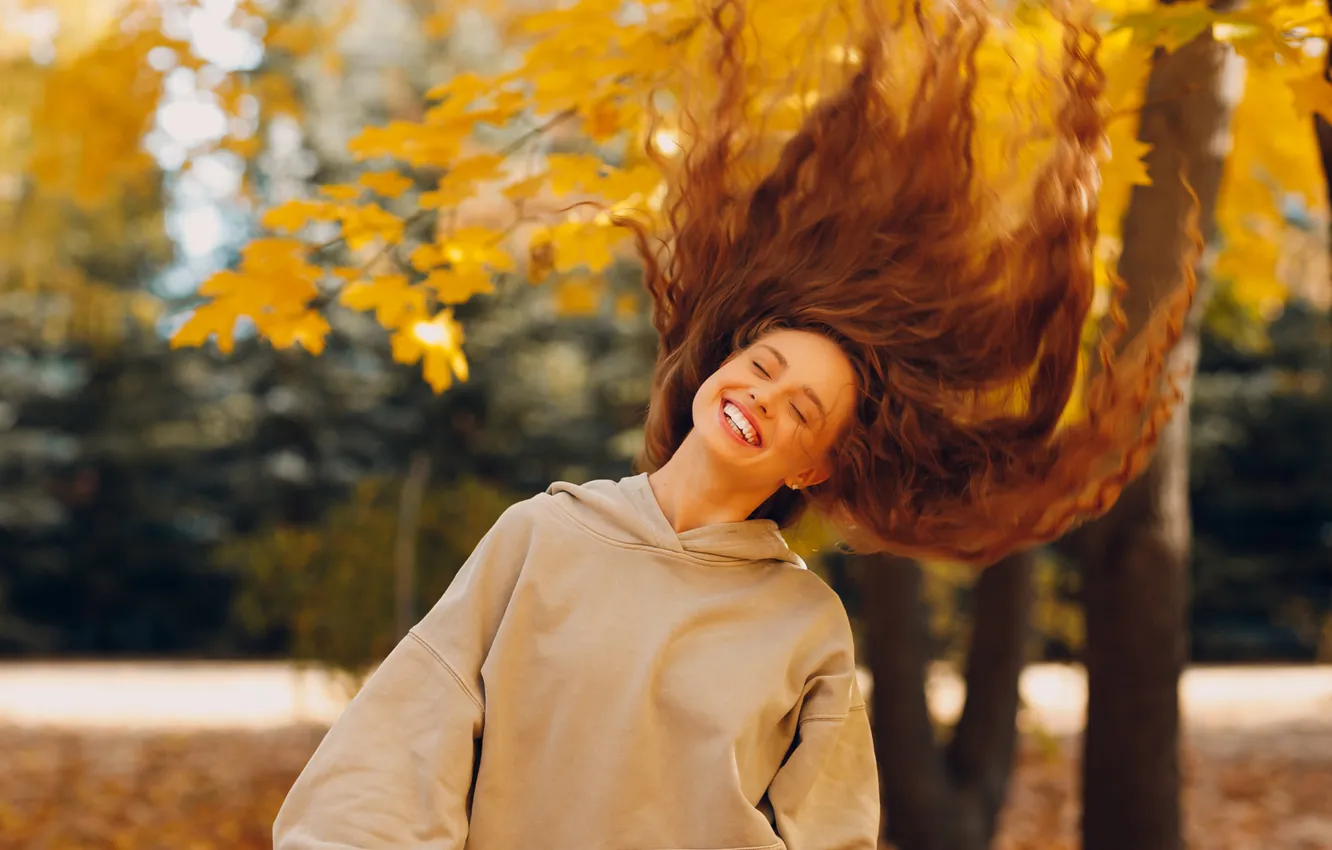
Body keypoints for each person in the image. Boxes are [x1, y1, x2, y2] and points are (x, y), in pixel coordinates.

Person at [272, 0, 1195, 847]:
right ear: (715, 367)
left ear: (813, 470)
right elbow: (398, 749)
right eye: (762, 368)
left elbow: (828, 833)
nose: (762, 399)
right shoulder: (540, 538)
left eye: (803, 412)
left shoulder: (806, 626)